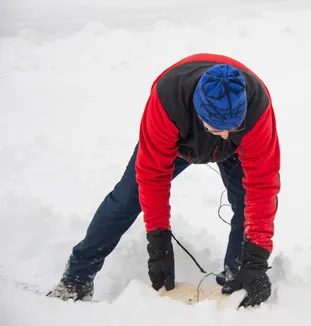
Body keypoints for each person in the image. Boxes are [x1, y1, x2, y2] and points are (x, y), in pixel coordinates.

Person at [46, 53, 281, 308]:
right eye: (217, 128)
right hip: (178, 142)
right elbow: (153, 177)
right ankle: (76, 279)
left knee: (247, 203)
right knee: (126, 199)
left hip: (239, 148)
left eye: (233, 128)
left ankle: (239, 276)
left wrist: (256, 258)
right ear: (198, 113)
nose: (225, 136)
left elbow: (263, 185)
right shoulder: (167, 102)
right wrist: (158, 242)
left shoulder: (256, 108)